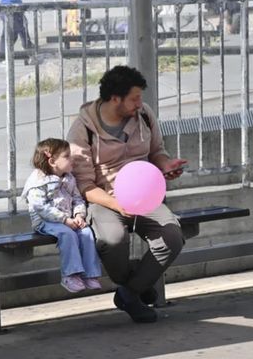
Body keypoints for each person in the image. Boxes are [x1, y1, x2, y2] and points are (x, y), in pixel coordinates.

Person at [68, 65, 187, 324]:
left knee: (172, 236)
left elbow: (157, 150)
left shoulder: (143, 115)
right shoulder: (83, 130)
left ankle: (128, 293)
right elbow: (85, 185)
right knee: (112, 240)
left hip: (145, 196)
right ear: (115, 99)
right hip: (104, 198)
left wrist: (166, 165)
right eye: (134, 98)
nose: (139, 103)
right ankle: (138, 284)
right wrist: (117, 204)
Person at [22, 138, 102, 293]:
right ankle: (70, 274)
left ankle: (90, 274)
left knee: (86, 232)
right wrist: (64, 220)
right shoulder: (37, 182)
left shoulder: (69, 178)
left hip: (69, 219)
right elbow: (41, 207)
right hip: (46, 222)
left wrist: (79, 215)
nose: (72, 159)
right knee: (67, 234)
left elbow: (77, 198)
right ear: (52, 161)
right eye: (67, 156)